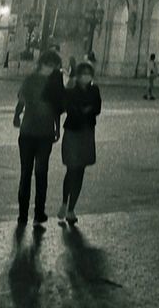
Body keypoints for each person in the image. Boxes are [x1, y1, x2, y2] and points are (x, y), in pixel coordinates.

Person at [13, 49, 65, 226]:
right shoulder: (53, 83)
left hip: (29, 132)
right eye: (52, 66)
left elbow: (21, 101)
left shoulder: (30, 80)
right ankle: (38, 213)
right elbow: (57, 108)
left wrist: (17, 116)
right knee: (40, 173)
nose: (53, 70)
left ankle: (23, 215)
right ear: (46, 64)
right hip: (42, 133)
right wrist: (57, 129)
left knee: (26, 173)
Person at [58, 61, 102, 225]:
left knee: (80, 170)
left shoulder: (94, 89)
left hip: (87, 132)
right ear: (78, 75)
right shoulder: (71, 89)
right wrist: (84, 109)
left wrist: (86, 109)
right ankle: (64, 202)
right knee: (71, 169)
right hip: (73, 131)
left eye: (88, 73)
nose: (86, 76)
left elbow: (97, 107)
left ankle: (71, 209)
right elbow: (67, 106)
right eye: (83, 73)